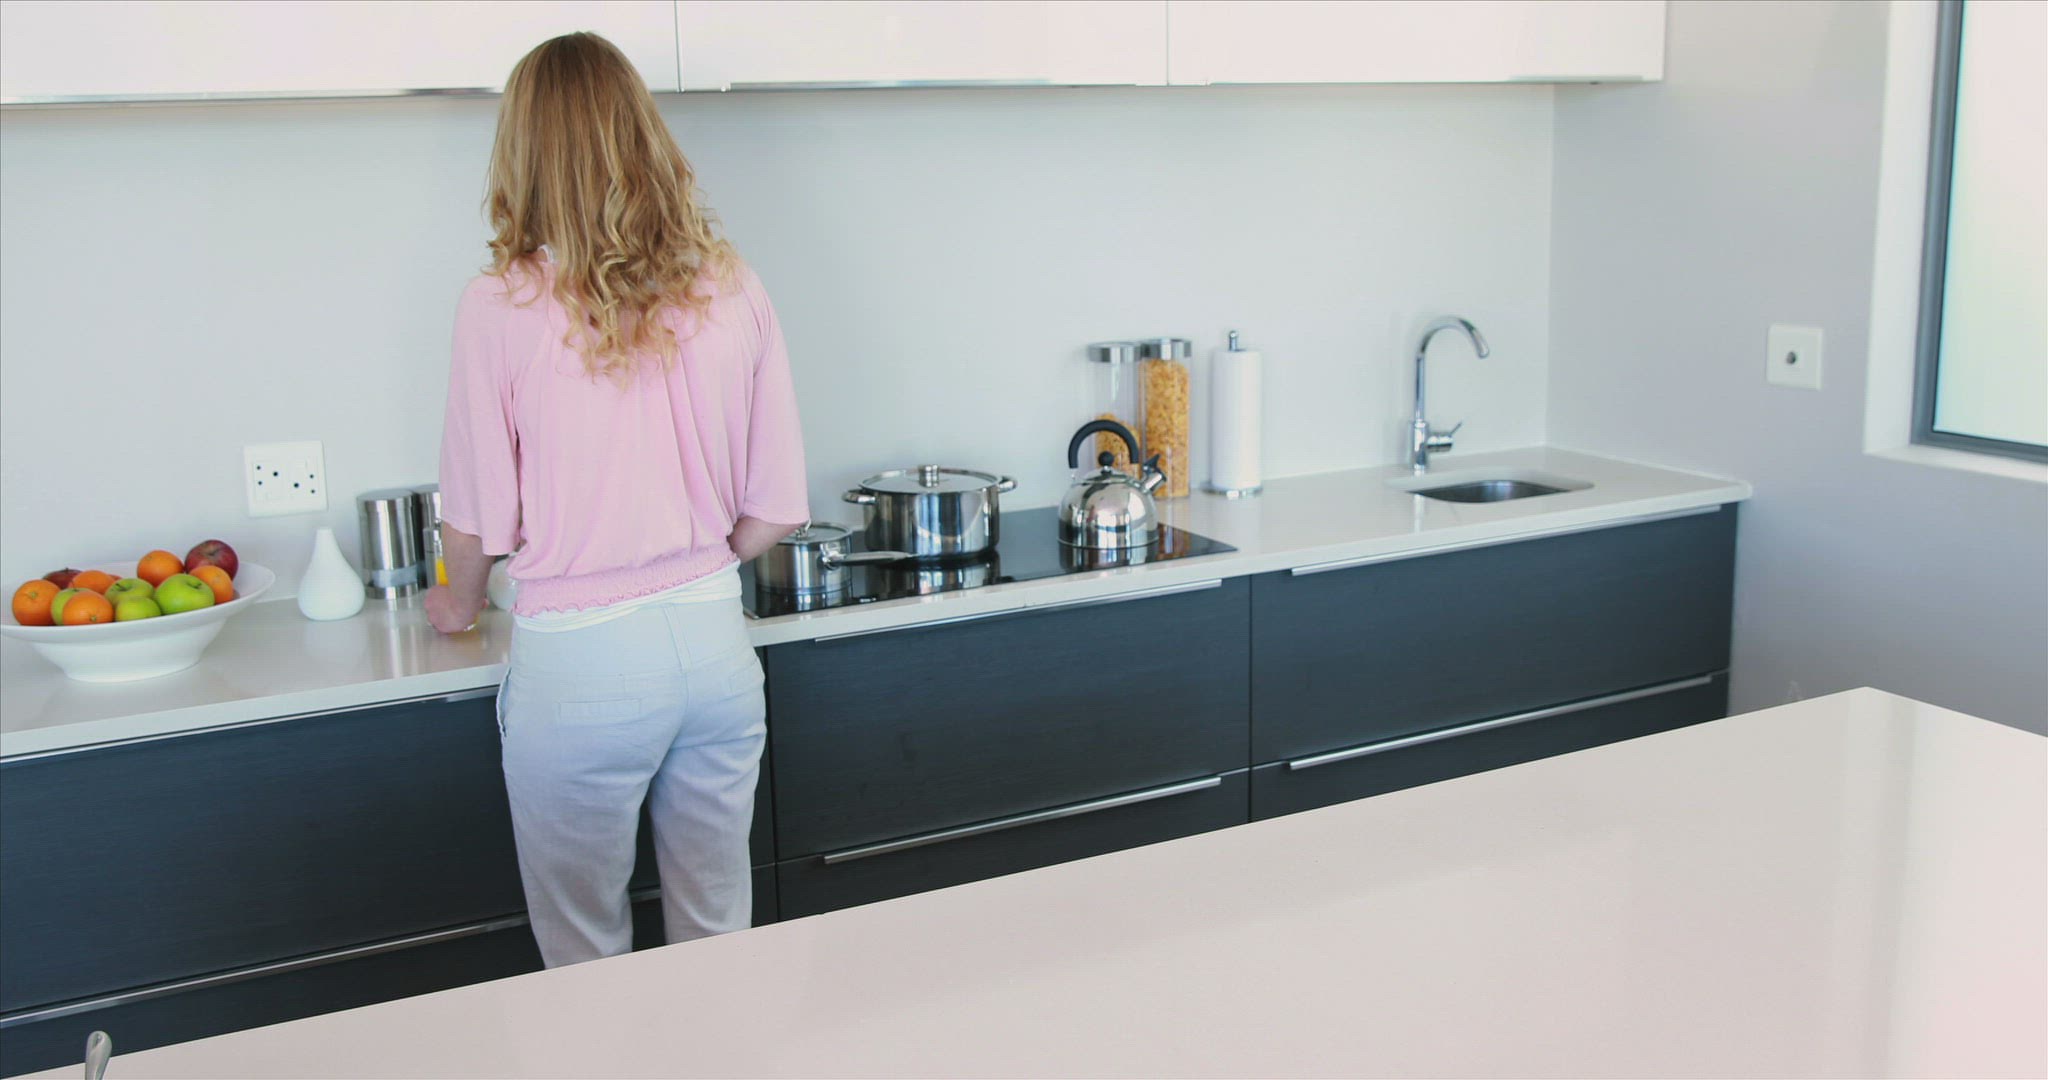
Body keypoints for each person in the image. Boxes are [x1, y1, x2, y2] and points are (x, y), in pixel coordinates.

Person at [424, 32, 807, 968]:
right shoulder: (731, 284)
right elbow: (777, 510)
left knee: (585, 961)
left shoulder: (499, 304)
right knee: (717, 945)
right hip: (715, 650)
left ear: (523, 150)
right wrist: (687, 550)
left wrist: (455, 604)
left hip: (581, 667)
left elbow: (476, 522)